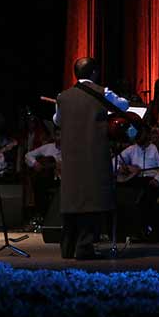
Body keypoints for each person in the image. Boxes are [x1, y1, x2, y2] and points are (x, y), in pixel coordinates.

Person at [53, 57, 129, 259]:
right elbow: (125, 105)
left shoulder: (63, 97)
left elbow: (57, 121)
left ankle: (67, 248)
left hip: (70, 157)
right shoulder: (103, 92)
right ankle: (85, 248)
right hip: (94, 154)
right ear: (94, 73)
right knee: (92, 201)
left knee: (72, 200)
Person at [24, 127, 62, 219]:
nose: (59, 138)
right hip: (48, 180)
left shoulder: (71, 149)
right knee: (38, 183)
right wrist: (35, 163)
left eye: (62, 135)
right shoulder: (48, 147)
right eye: (57, 135)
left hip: (63, 180)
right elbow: (28, 155)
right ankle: (41, 215)